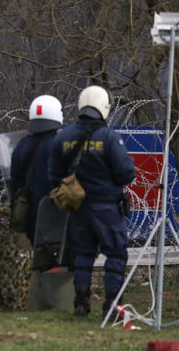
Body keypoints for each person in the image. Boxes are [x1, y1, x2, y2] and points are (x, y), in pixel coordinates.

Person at [48, 85, 135, 319]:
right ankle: (112, 307)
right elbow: (127, 173)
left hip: (78, 208)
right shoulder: (108, 137)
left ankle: (80, 304)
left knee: (83, 255)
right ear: (104, 107)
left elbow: (54, 175)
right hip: (107, 206)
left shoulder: (63, 137)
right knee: (116, 254)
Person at [10, 95, 64, 244]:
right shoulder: (58, 145)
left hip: (31, 212)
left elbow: (15, 179)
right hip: (57, 212)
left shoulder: (21, 145)